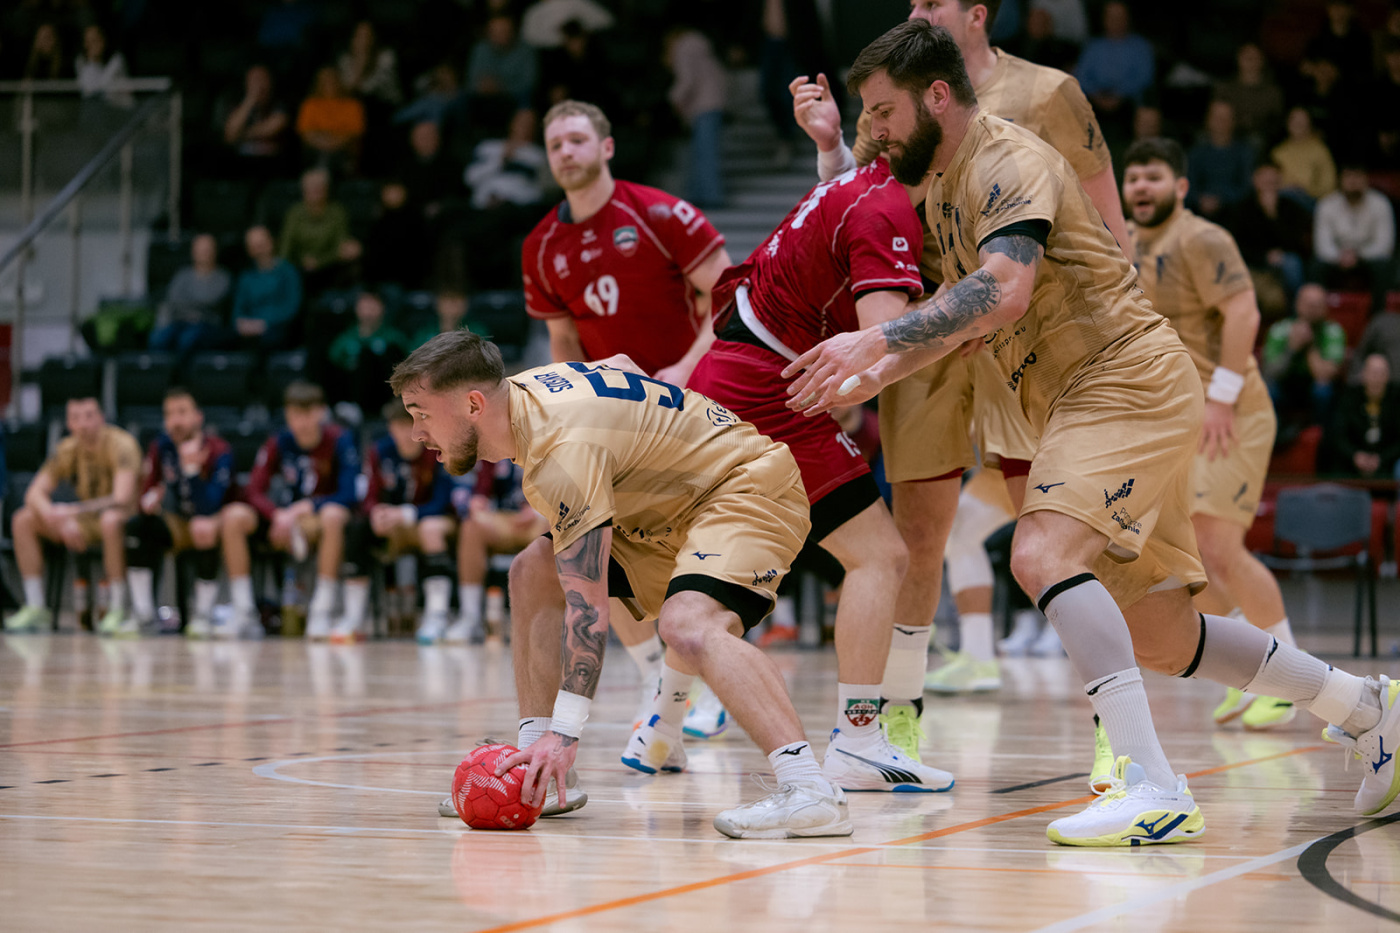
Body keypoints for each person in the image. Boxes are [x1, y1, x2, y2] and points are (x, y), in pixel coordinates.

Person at [786, 20, 1400, 844]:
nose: (876, 129)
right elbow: (961, 321)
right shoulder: (940, 182)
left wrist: (876, 341)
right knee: (1161, 634)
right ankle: (1368, 709)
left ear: (936, 96)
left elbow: (1002, 290)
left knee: (1041, 553)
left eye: (884, 111)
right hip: (1080, 397)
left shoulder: (1008, 159)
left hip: (1121, 379)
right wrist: (874, 372)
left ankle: (1151, 784)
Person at [790, 0, 1131, 743]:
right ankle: (902, 717)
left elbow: (1108, 218)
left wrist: (1113, 324)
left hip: (1025, 327)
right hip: (926, 323)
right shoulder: (893, 90)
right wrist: (830, 149)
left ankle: (1115, 725)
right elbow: (865, 195)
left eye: (932, 1)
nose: (916, 10)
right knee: (918, 533)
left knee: (1058, 533)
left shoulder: (1049, 92)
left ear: (976, 14)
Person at [395, 331, 853, 839]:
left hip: (745, 487)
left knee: (689, 625)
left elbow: (588, 613)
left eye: (421, 413)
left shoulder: (560, 451)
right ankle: (540, 772)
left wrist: (568, 733)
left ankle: (810, 788)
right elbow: (622, 360)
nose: (416, 432)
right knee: (533, 571)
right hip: (668, 511)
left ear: (473, 404)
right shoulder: (528, 392)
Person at [650, 155, 953, 792]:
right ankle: (857, 742)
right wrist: (953, 316)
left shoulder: (844, 187)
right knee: (879, 557)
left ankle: (659, 726)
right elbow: (883, 343)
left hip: (737, 371)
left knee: (711, 586)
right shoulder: (883, 207)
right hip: (769, 389)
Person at [521, 99, 733, 736]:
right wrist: (571, 409)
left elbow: (725, 295)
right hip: (611, 418)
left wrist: (686, 367)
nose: (565, 152)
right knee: (592, 546)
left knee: (685, 555)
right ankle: (657, 682)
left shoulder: (660, 213)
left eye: (576, 139)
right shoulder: (541, 246)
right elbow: (563, 342)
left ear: (606, 147)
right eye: (555, 144)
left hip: (687, 405)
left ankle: (699, 680)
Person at [1124, 137, 1300, 745]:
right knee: (1192, 556)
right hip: (1177, 414)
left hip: (1231, 410)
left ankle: (1290, 681)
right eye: (1132, 177)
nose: (1140, 187)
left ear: (1180, 187)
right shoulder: (1124, 241)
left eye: (1153, 177)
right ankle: (1254, 670)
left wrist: (1222, 397)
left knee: (1221, 548)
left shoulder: (1203, 238)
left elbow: (1245, 314)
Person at [218, 382, 360, 640]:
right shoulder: (278, 442)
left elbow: (349, 493)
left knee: (333, 515)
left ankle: (321, 610)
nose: (301, 423)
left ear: (321, 412)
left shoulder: (339, 440)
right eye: (295, 415)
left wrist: (309, 506)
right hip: (282, 518)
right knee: (233, 516)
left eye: (307, 414)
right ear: (287, 415)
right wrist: (277, 515)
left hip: (318, 517)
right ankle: (244, 611)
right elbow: (253, 490)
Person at [4, 398, 140, 635]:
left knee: (109, 520)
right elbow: (34, 493)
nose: (83, 424)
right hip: (85, 520)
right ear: (68, 423)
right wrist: (54, 516)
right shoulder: (67, 448)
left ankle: (117, 608)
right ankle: (36, 607)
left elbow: (122, 497)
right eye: (75, 418)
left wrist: (72, 511)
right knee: (23, 519)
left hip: (125, 518)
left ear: (101, 418)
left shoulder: (122, 444)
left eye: (89, 416)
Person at [124, 388, 234, 638]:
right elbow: (147, 491)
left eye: (182, 412)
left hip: (214, 521)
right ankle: (143, 613)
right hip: (176, 521)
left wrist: (192, 472)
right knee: (137, 526)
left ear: (198, 417)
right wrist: (150, 500)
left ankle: (203, 615)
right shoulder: (162, 447)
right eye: (169, 414)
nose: (175, 421)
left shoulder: (218, 450)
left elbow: (211, 505)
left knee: (202, 526)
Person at [344, 400, 455, 643]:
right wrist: (376, 511)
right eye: (399, 426)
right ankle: (353, 617)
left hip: (433, 518)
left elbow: (442, 501)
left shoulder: (436, 448)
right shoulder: (379, 451)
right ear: (390, 428)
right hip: (394, 523)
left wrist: (405, 514)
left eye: (411, 425)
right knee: (358, 527)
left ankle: (437, 615)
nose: (407, 434)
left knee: (430, 529)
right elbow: (369, 496)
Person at [446, 459, 546, 644]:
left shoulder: (549, 441)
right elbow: (479, 481)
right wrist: (477, 499)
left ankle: (544, 619)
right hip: (501, 515)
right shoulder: (495, 445)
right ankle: (470, 617)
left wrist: (539, 510)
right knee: (471, 526)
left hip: (539, 515)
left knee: (551, 530)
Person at [1225, 160, 1311, 314]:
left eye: (1274, 179)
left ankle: (1299, 312)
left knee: (1292, 263)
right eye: (1265, 178)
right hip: (1253, 264)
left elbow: (1298, 242)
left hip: (1285, 261)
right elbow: (1236, 246)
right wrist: (1264, 257)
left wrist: (1273, 215)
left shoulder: (1291, 207)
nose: (1269, 183)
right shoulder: (1241, 209)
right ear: (1255, 180)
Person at [1312, 164, 1396, 315]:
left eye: (1358, 176)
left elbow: (1384, 245)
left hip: (1367, 258)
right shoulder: (1327, 204)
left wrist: (1358, 255)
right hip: (1337, 259)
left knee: (1384, 266)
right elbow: (1322, 245)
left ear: (1366, 179)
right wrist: (1340, 256)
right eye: (1349, 176)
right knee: (1315, 266)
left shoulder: (1380, 203)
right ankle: (1317, 316)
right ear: (1340, 180)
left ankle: (1377, 318)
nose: (1353, 182)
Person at [1261, 282, 1347, 428]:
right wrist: (1291, 349)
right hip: (1286, 385)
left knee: (1323, 391)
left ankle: (1320, 435)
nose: (1312, 309)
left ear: (1326, 307)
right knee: (1268, 390)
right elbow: (1269, 374)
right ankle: (1276, 433)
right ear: (1297, 305)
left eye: (1317, 305)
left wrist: (1310, 347)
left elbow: (1325, 376)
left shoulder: (1333, 332)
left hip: (1312, 387)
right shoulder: (1279, 330)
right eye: (1308, 304)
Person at [663, 25, 727, 209]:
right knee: (705, 151)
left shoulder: (683, 48)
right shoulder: (701, 46)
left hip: (702, 105)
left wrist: (672, 99)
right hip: (713, 102)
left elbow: (687, 80)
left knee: (703, 153)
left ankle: (708, 196)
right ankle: (703, 194)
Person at [324, 289, 410, 416]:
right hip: (351, 397)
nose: (368, 312)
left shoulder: (394, 339)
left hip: (385, 397)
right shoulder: (344, 338)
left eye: (372, 306)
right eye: (364, 306)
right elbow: (332, 367)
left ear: (382, 308)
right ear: (356, 308)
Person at [149, 233, 231, 368]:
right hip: (179, 322)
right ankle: (161, 375)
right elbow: (173, 300)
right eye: (200, 249)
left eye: (207, 249)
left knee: (187, 339)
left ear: (215, 251)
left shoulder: (223, 277)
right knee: (158, 338)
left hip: (207, 324)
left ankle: (180, 376)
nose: (203, 253)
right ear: (193, 252)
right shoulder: (182, 275)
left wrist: (190, 304)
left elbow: (211, 301)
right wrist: (196, 307)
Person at [279, 167, 363, 295]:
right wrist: (293, 264)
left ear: (326, 190)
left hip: (330, 267)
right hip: (298, 268)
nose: (314, 192)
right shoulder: (294, 213)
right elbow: (286, 247)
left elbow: (341, 247)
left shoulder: (337, 212)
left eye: (318, 188)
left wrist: (320, 262)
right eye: (310, 188)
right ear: (303, 191)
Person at [1325, 354, 1400, 479]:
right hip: (1351, 462)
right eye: (1373, 373)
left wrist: (1381, 458)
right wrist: (1355, 456)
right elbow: (1338, 435)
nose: (1377, 379)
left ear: (1388, 377)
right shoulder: (1349, 398)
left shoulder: (1396, 399)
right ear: (1363, 374)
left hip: (1387, 462)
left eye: (1382, 373)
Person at [232, 225, 302, 352]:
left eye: (261, 245)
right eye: (254, 246)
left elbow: (292, 307)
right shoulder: (246, 277)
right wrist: (242, 324)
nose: (259, 251)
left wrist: (264, 323)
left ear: (271, 243)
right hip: (250, 329)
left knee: (269, 339)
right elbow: (238, 310)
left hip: (279, 327)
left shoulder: (287, 271)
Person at [1185, 100, 1255, 220]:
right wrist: (1200, 199)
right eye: (1216, 117)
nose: (1221, 122)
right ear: (1208, 120)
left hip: (1235, 213)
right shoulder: (1196, 153)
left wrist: (1221, 199)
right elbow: (1188, 183)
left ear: (1233, 121)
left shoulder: (1245, 152)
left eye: (1225, 118)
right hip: (1199, 211)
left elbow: (1246, 187)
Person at [221, 64, 292, 178]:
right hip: (240, 164)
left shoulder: (279, 104)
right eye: (254, 80)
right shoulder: (237, 104)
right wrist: (250, 100)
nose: (259, 85)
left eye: (262, 79)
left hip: (273, 163)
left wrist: (241, 135)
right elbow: (230, 135)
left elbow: (273, 128)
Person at [296, 66, 366, 172]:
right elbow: (306, 133)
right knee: (322, 155)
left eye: (332, 79)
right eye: (324, 80)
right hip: (315, 149)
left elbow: (353, 134)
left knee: (333, 156)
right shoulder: (310, 104)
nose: (329, 83)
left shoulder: (352, 105)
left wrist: (332, 144)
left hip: (343, 150)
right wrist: (323, 143)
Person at [1271, 107, 1337, 208]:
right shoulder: (1278, 152)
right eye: (1294, 120)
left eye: (1302, 120)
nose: (1298, 124)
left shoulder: (1320, 150)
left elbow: (1329, 184)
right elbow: (1270, 180)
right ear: (1287, 123)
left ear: (1309, 124)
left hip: (1310, 200)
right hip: (1283, 199)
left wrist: (1308, 190)